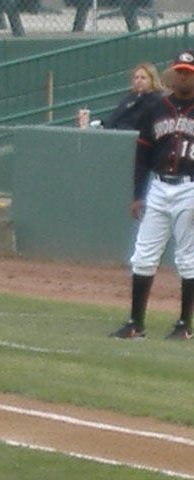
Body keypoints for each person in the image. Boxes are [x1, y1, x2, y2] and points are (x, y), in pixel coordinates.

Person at [110, 50, 194, 340]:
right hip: (158, 186)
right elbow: (143, 153)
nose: (184, 76)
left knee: (187, 258)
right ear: (172, 74)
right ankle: (135, 322)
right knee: (143, 254)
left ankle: (184, 325)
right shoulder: (156, 108)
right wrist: (137, 195)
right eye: (180, 71)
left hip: (190, 187)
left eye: (189, 72)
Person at [95, 63, 164, 130]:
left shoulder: (156, 100)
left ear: (152, 80)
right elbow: (114, 117)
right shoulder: (130, 97)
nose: (139, 81)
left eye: (143, 78)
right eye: (136, 78)